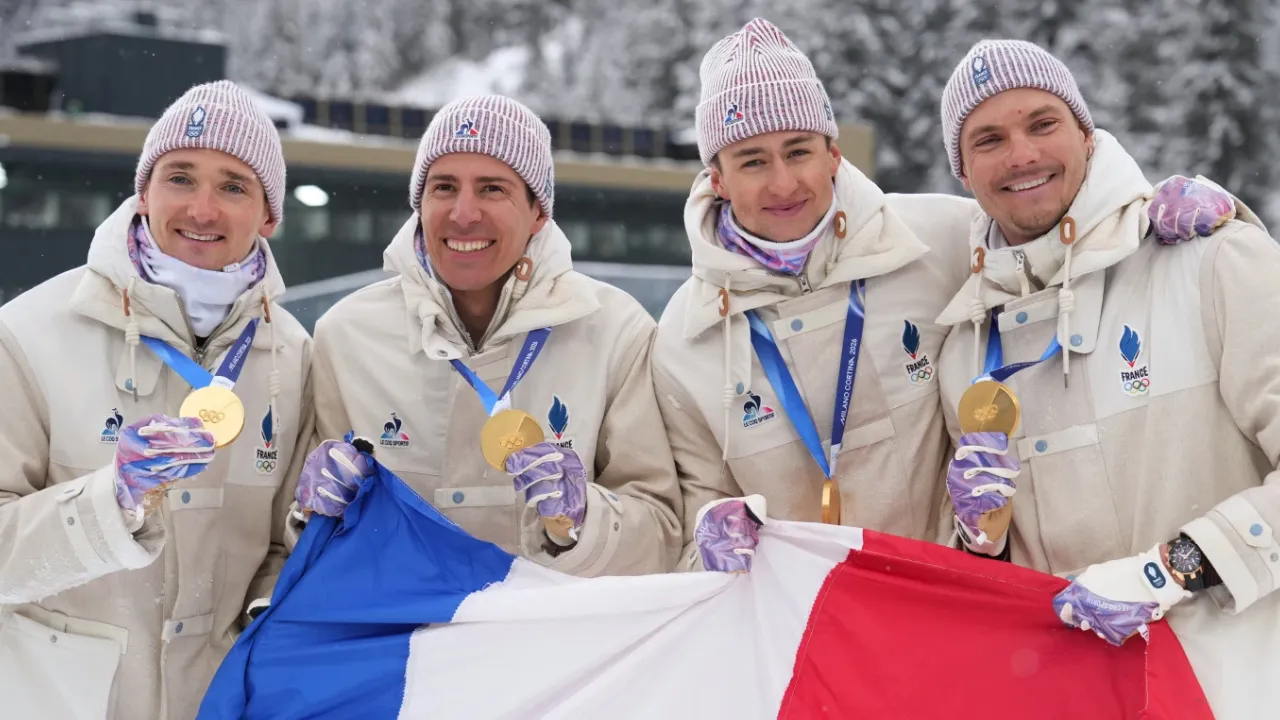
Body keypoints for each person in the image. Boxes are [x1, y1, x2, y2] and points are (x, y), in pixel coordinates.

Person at [654, 18, 1231, 575]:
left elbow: (1049, 229)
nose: (783, 182)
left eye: (799, 150)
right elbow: (680, 530)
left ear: (834, 154)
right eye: (752, 161)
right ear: (717, 178)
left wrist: (1146, 210)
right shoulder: (684, 337)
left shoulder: (940, 240)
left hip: (951, 616)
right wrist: (704, 541)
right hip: (802, 640)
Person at [931, 38, 1280, 657]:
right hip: (1068, 690)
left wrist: (1174, 569)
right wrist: (980, 538)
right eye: (988, 140)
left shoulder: (1211, 259)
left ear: (1087, 136)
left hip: (1239, 680)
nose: (1022, 155)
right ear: (962, 172)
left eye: (1044, 124)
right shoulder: (965, 343)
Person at [0, 80, 313, 720]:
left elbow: (285, 548)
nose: (201, 208)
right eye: (179, 178)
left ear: (270, 215)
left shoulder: (294, 355)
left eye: (233, 186)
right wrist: (104, 506)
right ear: (144, 193)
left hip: (220, 701)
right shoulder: (27, 333)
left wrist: (270, 605)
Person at [291, 95, 681, 576]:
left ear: (539, 211)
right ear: (419, 203)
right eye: (444, 187)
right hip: (403, 643)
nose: (463, 213)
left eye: (492, 188)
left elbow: (663, 532)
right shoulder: (347, 336)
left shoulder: (613, 329)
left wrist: (585, 519)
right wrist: (311, 517)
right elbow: (304, 545)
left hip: (557, 645)